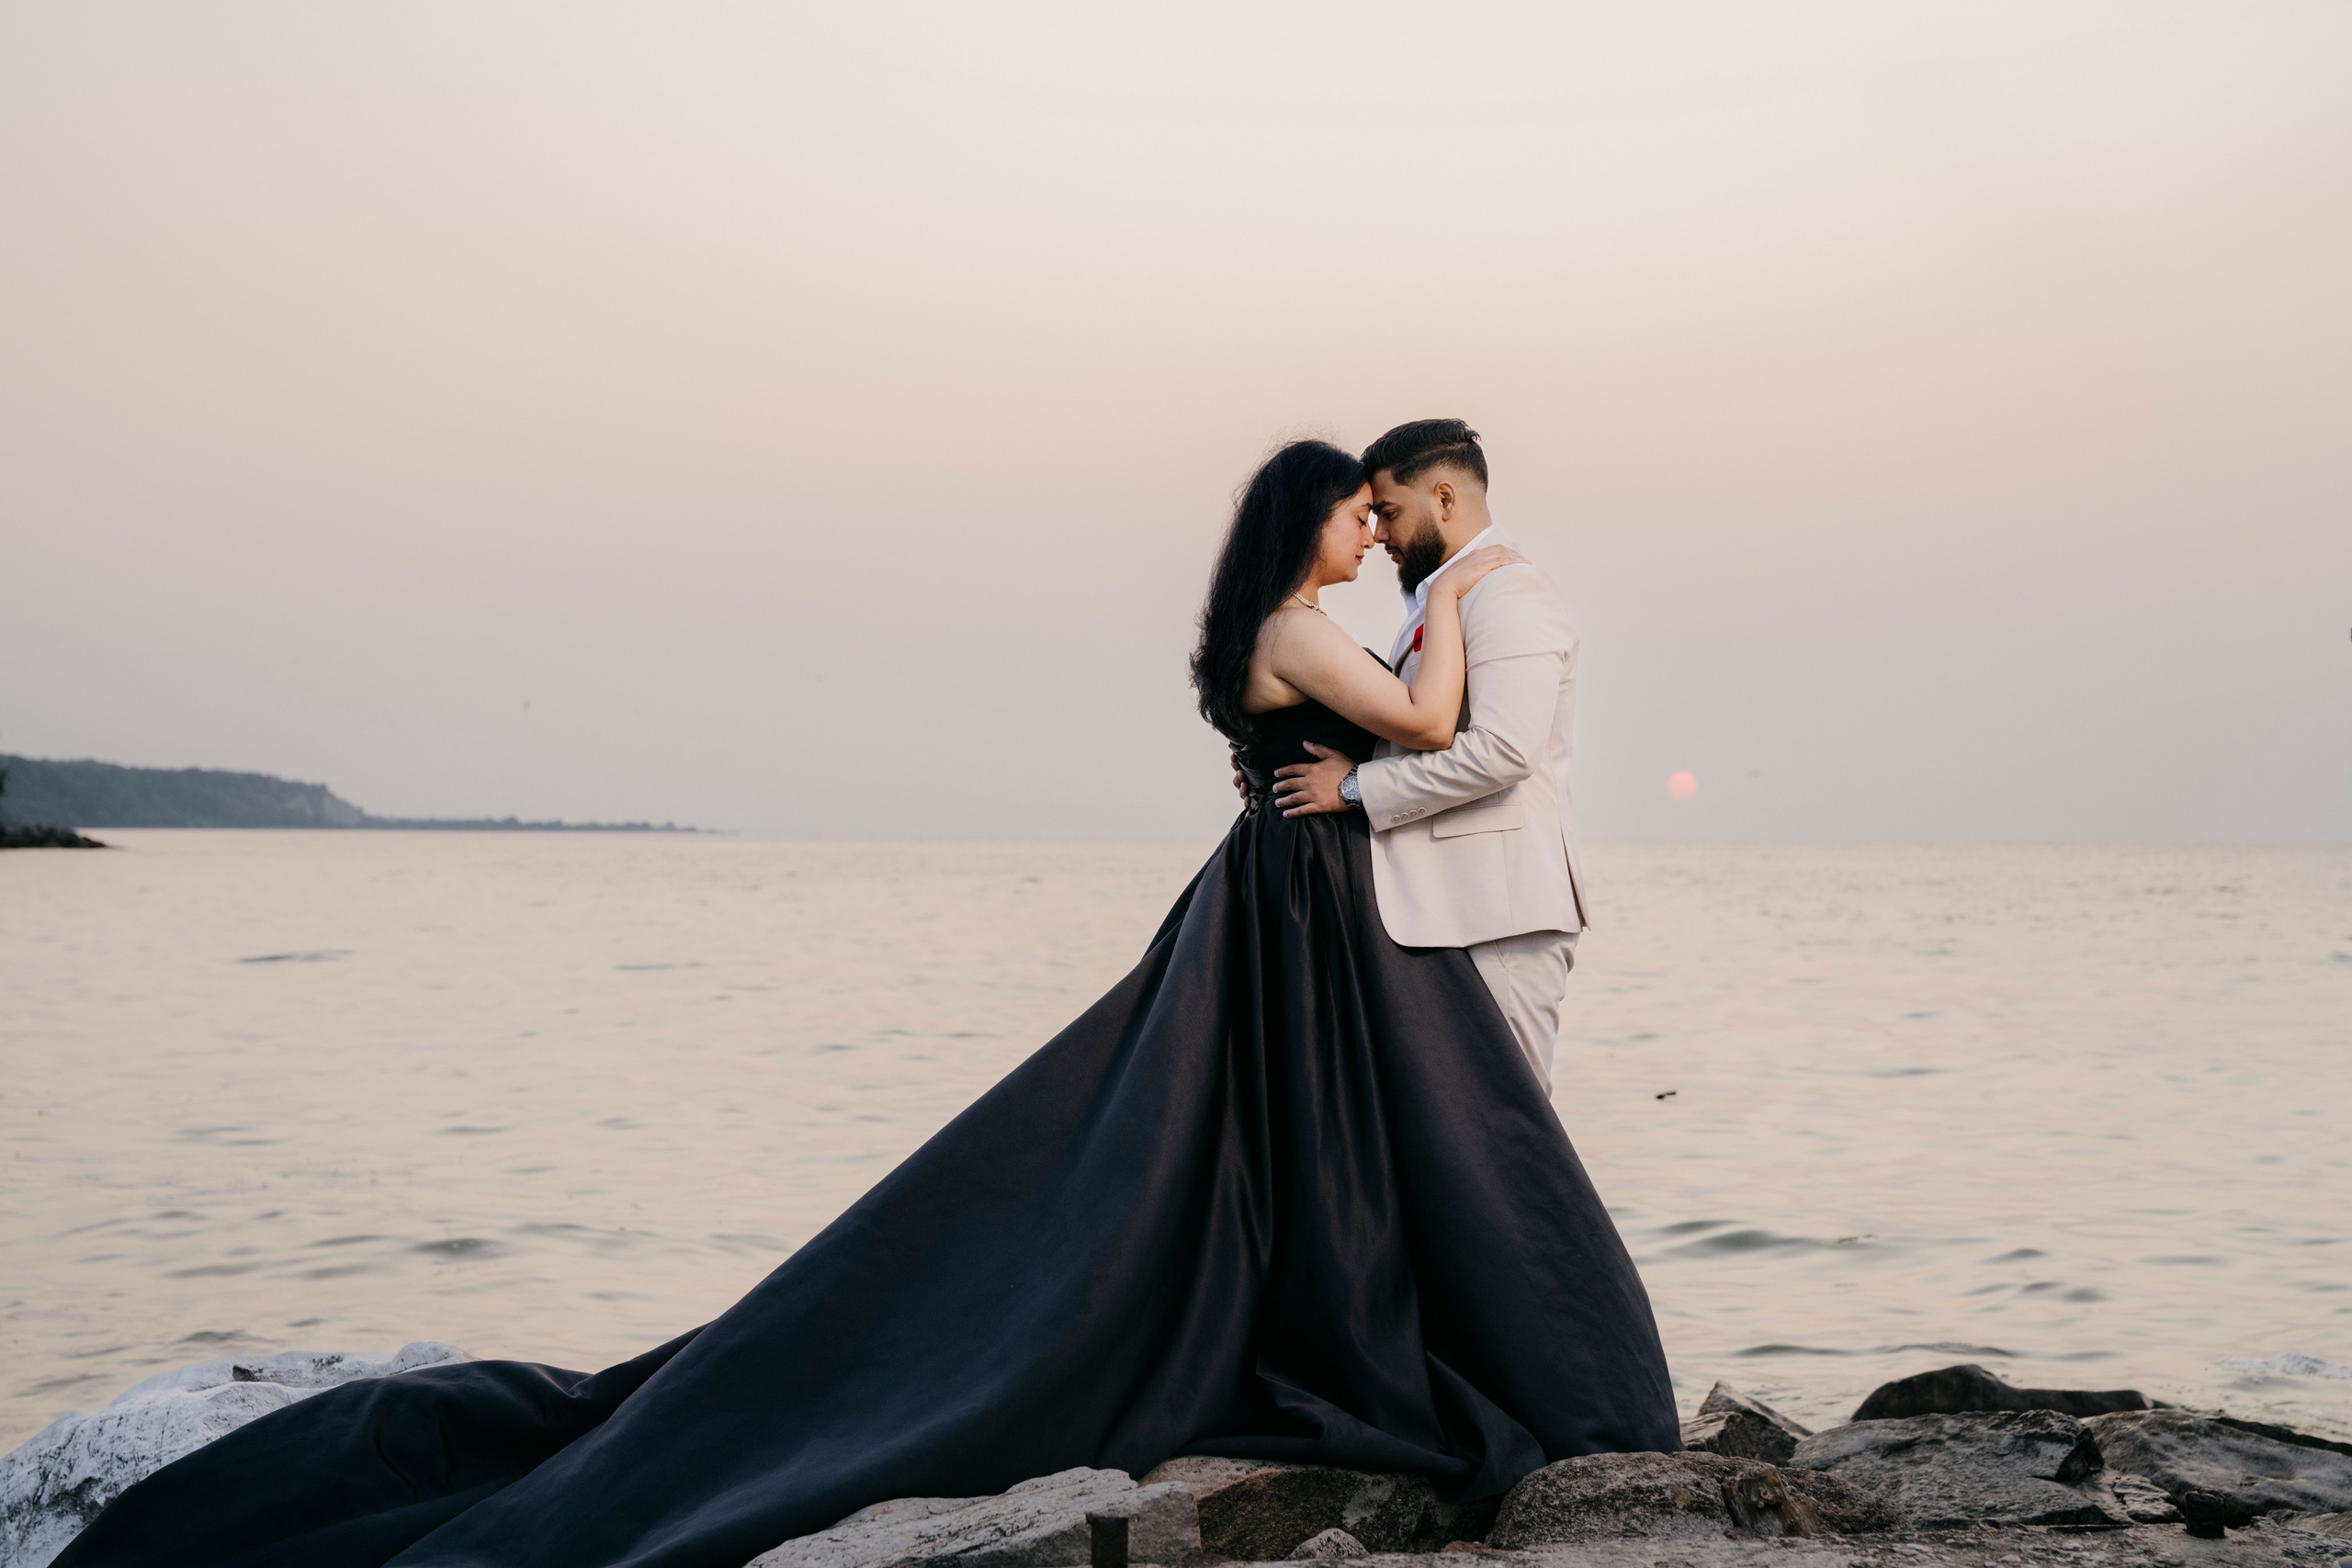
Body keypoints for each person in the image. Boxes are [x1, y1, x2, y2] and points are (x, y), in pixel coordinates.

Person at [53, 439, 1676, 1568]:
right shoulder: (1300, 629)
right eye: (1355, 511)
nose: (1371, 525)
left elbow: (1390, 736)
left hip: (1294, 892)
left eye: (1384, 515)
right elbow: (1430, 712)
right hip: (1297, 897)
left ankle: (1340, 1297)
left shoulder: (1295, 626)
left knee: (1286, 1129)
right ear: (1306, 524)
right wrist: (1464, 584)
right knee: (1286, 1136)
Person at [1240, 419, 1587, 1094]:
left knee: (1508, 1128)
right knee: (1460, 1135)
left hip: (1500, 909)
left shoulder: (1508, 591)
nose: (1380, 535)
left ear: (1446, 498)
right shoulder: (1447, 598)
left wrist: (1351, 787)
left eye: (1390, 513)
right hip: (1445, 906)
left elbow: (1503, 751)